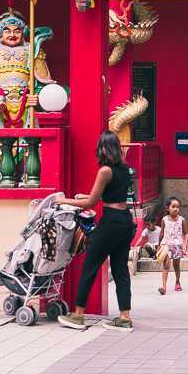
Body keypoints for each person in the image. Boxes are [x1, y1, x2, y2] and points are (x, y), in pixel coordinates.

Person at [56, 131, 136, 331]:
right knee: (120, 269)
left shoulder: (105, 171)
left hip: (110, 222)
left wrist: (63, 200)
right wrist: (85, 195)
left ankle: (78, 315)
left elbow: (91, 202)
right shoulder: (125, 169)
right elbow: (108, 194)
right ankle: (125, 317)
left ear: (102, 149)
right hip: (125, 221)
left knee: (90, 265)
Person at [156, 196, 188, 295]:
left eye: (178, 207)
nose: (176, 209)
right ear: (167, 208)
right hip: (166, 245)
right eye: (173, 206)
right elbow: (161, 233)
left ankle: (177, 281)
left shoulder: (182, 220)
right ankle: (164, 287)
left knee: (176, 266)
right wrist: (159, 245)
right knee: (166, 266)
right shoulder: (164, 219)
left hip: (177, 245)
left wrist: (184, 245)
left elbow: (186, 233)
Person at [129, 203, 163, 276]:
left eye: (149, 225)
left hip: (158, 246)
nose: (147, 226)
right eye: (146, 225)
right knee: (146, 245)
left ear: (154, 223)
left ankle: (157, 255)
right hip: (151, 246)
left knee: (158, 245)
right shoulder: (146, 231)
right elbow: (140, 239)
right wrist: (135, 246)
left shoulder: (159, 230)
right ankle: (153, 255)